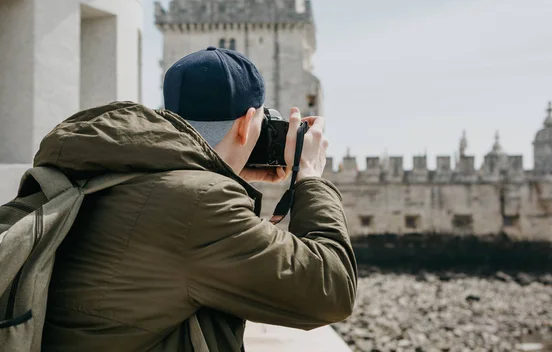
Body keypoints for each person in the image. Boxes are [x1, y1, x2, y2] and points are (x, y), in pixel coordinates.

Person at [40, 47, 357, 351]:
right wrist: (310, 177)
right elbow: (332, 289)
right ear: (246, 125)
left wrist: (228, 173)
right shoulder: (199, 205)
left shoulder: (110, 168)